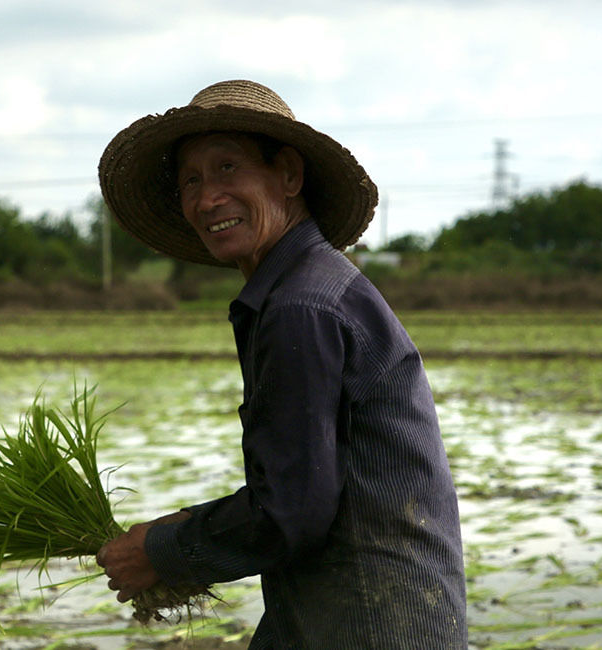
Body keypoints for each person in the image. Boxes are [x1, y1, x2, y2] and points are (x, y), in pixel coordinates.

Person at [95, 80, 467, 649]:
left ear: (289, 175)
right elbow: (299, 492)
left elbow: (292, 511)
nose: (206, 198)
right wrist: (176, 531)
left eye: (226, 168)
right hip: (344, 607)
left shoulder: (301, 305)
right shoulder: (301, 289)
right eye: (191, 180)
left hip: (368, 621)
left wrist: (163, 553)